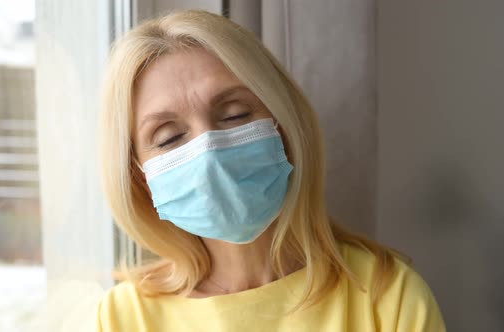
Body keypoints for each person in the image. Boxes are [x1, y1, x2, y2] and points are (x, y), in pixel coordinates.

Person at [96, 9, 446, 332]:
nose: (210, 150)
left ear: (283, 121)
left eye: (235, 114)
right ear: (140, 173)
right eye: (169, 137)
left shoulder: (387, 299)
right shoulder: (124, 318)